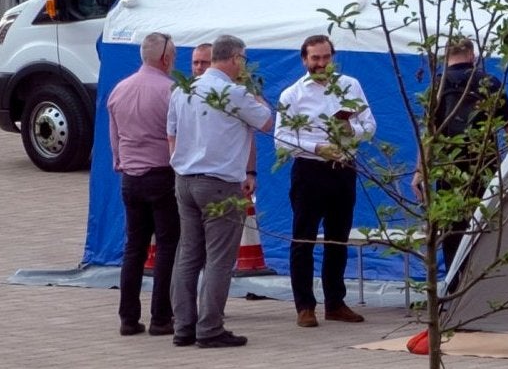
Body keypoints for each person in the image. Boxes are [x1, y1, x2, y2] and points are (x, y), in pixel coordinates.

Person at [166, 34, 272, 348]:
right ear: (236, 58)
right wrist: (252, 88)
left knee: (188, 255)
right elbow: (266, 122)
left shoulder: (183, 90)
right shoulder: (234, 92)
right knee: (219, 259)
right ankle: (210, 327)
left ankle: (183, 325)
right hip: (219, 182)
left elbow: (170, 133)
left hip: (184, 179)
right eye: (243, 60)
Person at [276, 34, 376, 329]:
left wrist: (349, 128)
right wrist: (317, 147)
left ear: (333, 57)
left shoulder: (350, 86)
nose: (321, 63)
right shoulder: (291, 95)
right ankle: (305, 305)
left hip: (343, 167)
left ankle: (335, 302)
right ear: (304, 60)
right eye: (315, 58)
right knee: (303, 238)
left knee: (338, 238)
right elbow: (282, 138)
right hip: (309, 169)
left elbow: (369, 126)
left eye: (326, 57)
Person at [414, 37, 508, 279]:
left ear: (446, 56)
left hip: (448, 168)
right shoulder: (490, 83)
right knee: (484, 225)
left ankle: (453, 286)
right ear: (472, 55)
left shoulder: (436, 87)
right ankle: (482, 284)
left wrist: (419, 172)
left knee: (451, 230)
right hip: (484, 167)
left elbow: (429, 135)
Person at [107, 31, 180, 338]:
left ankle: (128, 316)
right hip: (161, 174)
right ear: (165, 58)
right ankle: (161, 317)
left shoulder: (119, 90)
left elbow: (115, 140)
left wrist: (123, 162)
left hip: (130, 178)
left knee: (134, 248)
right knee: (166, 247)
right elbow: (179, 137)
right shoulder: (171, 91)